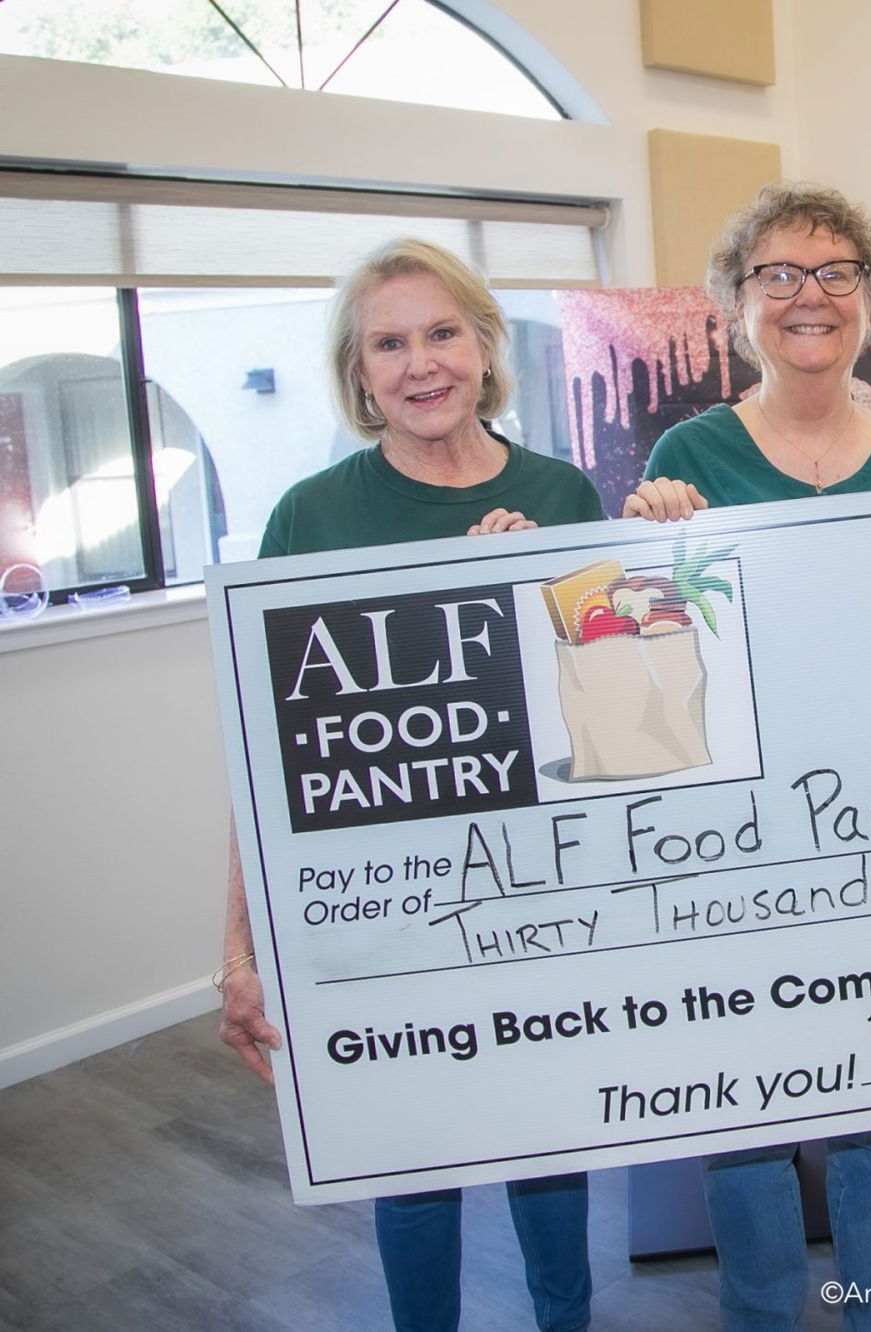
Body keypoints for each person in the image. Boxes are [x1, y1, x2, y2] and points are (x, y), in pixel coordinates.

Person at [217, 237, 602, 1332]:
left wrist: (518, 595)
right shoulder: (310, 520)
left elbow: (611, 722)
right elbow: (265, 757)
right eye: (389, 342)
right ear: (358, 370)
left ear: (483, 346)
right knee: (413, 1165)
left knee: (548, 1144)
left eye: (442, 333)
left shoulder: (562, 492)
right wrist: (241, 951)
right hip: (384, 911)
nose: (420, 363)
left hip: (540, 895)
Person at [623, 182, 871, 1331]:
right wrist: (650, 536)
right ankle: (760, 1313)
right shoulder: (689, 454)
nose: (807, 297)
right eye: (776, 275)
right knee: (746, 1111)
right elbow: (655, 662)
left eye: (833, 274)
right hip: (740, 840)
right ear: (734, 306)